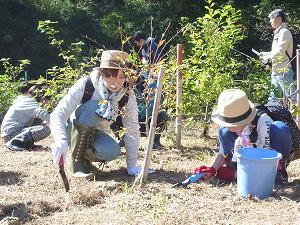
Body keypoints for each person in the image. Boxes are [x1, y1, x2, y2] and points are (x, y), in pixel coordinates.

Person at [50, 50, 144, 178]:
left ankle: (85, 159)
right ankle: (76, 163)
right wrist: (61, 139)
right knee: (98, 105)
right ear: (101, 73)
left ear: (126, 76)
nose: (115, 82)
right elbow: (58, 113)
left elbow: (132, 129)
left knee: (112, 151)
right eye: (109, 76)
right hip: (72, 128)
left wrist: (132, 165)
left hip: (95, 133)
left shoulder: (127, 95)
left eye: (120, 77)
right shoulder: (86, 84)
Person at [193, 89, 292, 185]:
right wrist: (213, 169)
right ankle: (237, 169)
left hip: (266, 156)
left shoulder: (262, 121)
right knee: (224, 132)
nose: (226, 125)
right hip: (245, 163)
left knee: (280, 129)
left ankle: (277, 172)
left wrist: (252, 175)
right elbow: (222, 153)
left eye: (229, 122)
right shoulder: (226, 129)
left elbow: (264, 153)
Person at [133, 31, 169, 149]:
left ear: (141, 41)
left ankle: (154, 141)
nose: (138, 46)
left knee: (159, 112)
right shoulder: (149, 46)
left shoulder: (152, 47)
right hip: (149, 81)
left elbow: (154, 65)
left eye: (137, 43)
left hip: (153, 80)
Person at [259, 9, 295, 103]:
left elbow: (280, 52)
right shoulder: (278, 33)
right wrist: (265, 54)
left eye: (271, 18)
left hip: (284, 71)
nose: (270, 21)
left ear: (279, 19)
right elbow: (275, 51)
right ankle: (271, 117)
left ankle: (297, 117)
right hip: (276, 72)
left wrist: (267, 57)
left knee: (292, 97)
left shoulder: (284, 32)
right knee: (273, 98)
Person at [1, 85, 51, 151]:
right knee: (46, 130)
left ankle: (25, 144)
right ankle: (14, 143)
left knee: (38, 120)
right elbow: (43, 114)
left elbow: (40, 117)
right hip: (11, 134)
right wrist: (60, 119)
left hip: (10, 133)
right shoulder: (30, 102)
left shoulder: (24, 100)